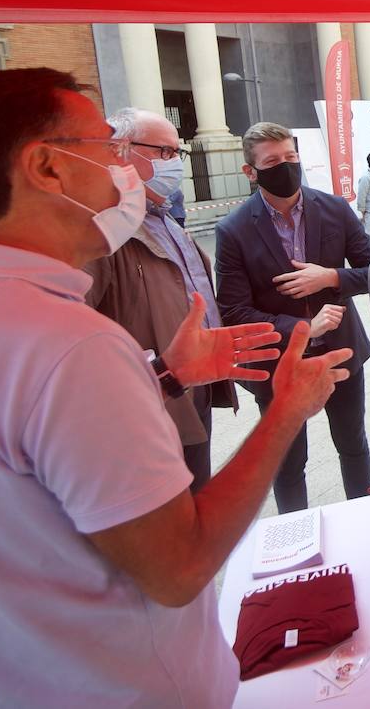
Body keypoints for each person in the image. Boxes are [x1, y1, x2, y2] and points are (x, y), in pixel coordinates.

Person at [0, 68, 350, 707]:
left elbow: (21, 466)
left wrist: (166, 374)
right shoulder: (71, 345)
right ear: (47, 168)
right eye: (107, 148)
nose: (126, 169)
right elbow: (180, 566)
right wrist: (285, 410)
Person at [216, 122, 370, 512]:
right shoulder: (233, 229)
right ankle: (295, 535)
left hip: (340, 355)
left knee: (353, 444)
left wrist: (331, 276)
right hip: (279, 364)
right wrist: (303, 328)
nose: (285, 166)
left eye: (291, 157)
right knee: (288, 460)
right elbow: (234, 310)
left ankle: (363, 516)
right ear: (250, 172)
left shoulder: (335, 209)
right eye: (273, 161)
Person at [84, 108, 233, 491]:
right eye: (163, 152)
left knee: (197, 495)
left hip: (192, 385)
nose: (174, 164)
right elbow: (75, 336)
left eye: (176, 153)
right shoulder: (104, 230)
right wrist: (158, 375)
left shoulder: (162, 218)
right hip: (148, 405)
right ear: (120, 151)